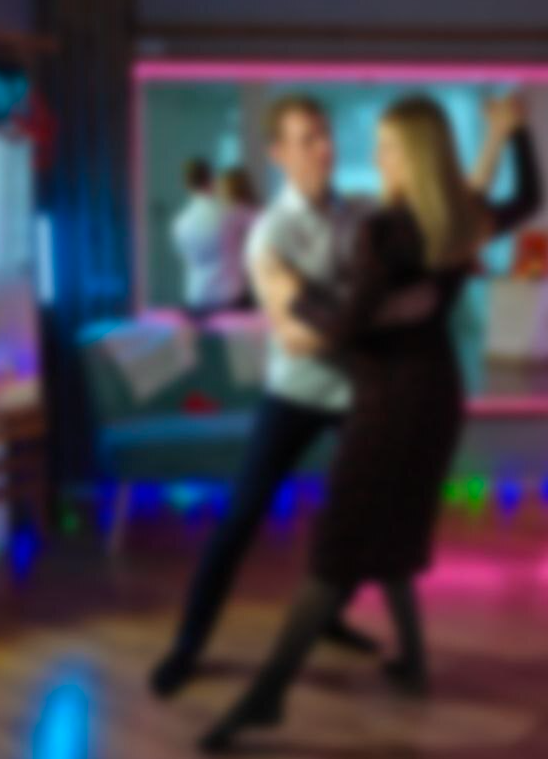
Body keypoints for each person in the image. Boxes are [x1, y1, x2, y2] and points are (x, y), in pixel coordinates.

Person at [198, 95, 542, 753]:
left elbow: (345, 329)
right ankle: (412, 662)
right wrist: (517, 132)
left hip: (389, 402)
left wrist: (288, 290)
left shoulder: (386, 230)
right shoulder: (458, 217)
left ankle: (268, 694)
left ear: (410, 156)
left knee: (335, 550)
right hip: (437, 396)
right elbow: (529, 197)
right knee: (394, 533)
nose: (374, 158)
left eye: (385, 147)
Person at [151, 95, 454, 699]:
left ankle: (334, 619)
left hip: (359, 394)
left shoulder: (365, 214)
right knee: (240, 518)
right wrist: (384, 314)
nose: (325, 148)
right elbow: (293, 335)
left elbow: (428, 255)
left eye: (327, 135)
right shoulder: (269, 232)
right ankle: (187, 646)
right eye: (309, 138)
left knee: (371, 519)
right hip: (294, 393)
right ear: (278, 153)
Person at [171, 158, 249, 318]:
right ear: (212, 180)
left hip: (197, 298)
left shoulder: (180, 223)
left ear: (187, 185)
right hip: (229, 298)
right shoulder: (231, 212)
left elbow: (185, 257)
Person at [216, 167, 260, 311]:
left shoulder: (233, 216)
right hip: (244, 285)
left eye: (221, 187)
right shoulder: (252, 213)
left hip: (237, 286)